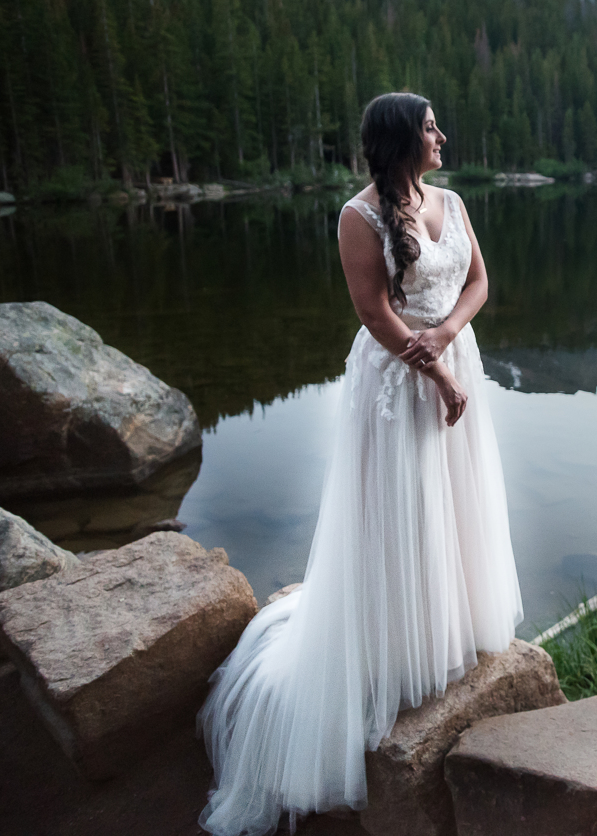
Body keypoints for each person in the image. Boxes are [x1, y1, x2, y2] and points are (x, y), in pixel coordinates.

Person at [196, 92, 524, 836]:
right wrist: (435, 372)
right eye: (431, 126)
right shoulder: (358, 217)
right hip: (397, 379)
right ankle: (393, 643)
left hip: (448, 356)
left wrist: (448, 338)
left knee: (456, 500)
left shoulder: (454, 203)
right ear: (402, 139)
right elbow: (374, 312)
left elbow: (477, 284)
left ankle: (450, 619)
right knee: (403, 509)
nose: (442, 135)